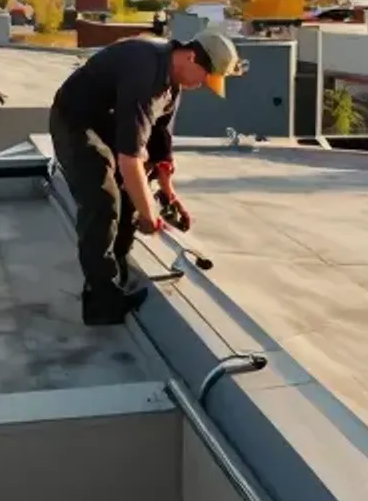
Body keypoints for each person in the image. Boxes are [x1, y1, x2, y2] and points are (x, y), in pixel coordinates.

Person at [48, 29, 243, 325]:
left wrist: (167, 192)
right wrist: (148, 213)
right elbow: (129, 158)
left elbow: (159, 139)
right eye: (205, 76)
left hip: (106, 120)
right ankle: (101, 301)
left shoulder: (172, 83)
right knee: (102, 197)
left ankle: (118, 269)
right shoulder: (145, 73)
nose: (202, 85)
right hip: (76, 120)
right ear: (191, 56)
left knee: (134, 187)